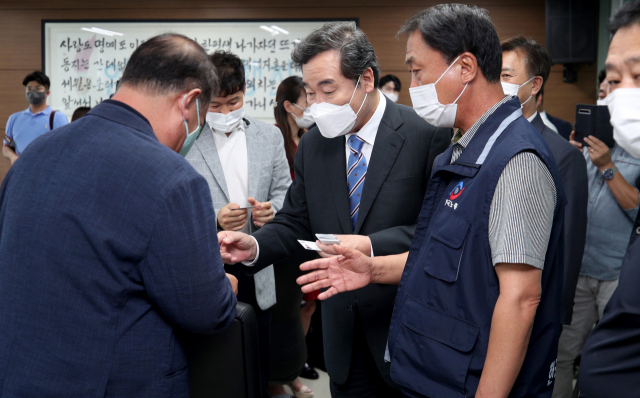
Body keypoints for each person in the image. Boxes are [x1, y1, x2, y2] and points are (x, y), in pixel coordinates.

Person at [297, 5, 566, 397]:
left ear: (466, 67)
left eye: (418, 71)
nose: (413, 85)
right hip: (440, 372)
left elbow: (521, 299)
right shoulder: (461, 151)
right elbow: (444, 258)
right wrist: (371, 269)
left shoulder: (516, 160)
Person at [219, 21, 451, 398]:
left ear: (367, 79)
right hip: (341, 333)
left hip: (406, 328)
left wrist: (368, 246)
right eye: (310, 93)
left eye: (328, 89)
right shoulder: (314, 146)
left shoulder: (425, 134)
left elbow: (437, 229)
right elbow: (296, 220)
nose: (317, 105)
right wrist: (255, 245)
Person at [0, 34, 238, 397]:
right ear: (189, 102)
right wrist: (225, 287)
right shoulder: (173, 177)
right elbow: (205, 311)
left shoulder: (34, 155)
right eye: (199, 120)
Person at [185, 50, 291, 398]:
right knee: (213, 354)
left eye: (234, 102)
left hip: (258, 261)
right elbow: (176, 205)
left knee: (259, 348)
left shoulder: (269, 136)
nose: (226, 113)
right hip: (208, 263)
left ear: (245, 91)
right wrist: (215, 217)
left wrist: (271, 210)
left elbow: (284, 193)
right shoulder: (186, 142)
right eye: (216, 106)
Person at [500, 36, 589, 327]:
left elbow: (568, 243)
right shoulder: (481, 142)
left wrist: (554, 316)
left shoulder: (562, 155)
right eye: (493, 74)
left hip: (533, 307)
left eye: (506, 75)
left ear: (535, 85)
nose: (497, 83)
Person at [577, 2, 640, 396]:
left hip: (611, 271)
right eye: (614, 82)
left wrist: (606, 166)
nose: (623, 94)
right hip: (587, 265)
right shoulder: (597, 140)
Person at [3, 71, 69, 165]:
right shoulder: (14, 118)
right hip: (19, 171)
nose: (32, 92)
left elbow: (64, 147)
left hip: (45, 172)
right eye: (29, 88)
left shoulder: (57, 118)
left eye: (38, 88)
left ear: (47, 93)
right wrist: (13, 157)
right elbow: (6, 146)